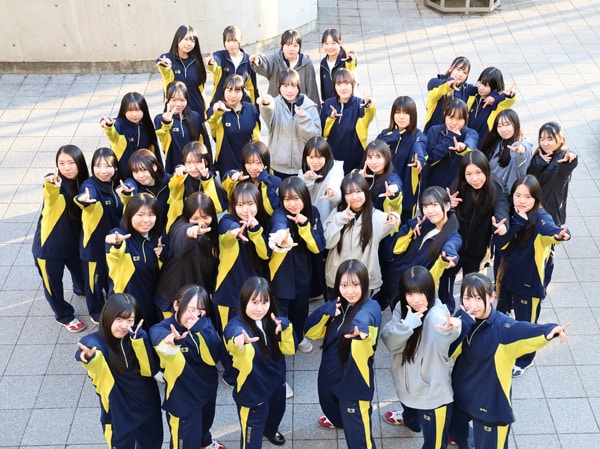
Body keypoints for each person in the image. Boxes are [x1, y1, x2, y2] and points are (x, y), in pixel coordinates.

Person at [449, 272, 569, 449]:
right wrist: (462, 324)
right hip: (462, 393)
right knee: (458, 434)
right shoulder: (464, 317)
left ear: (492, 297)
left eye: (478, 298)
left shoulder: (503, 328)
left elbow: (526, 329)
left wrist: (550, 330)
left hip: (490, 401)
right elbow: (451, 351)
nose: (472, 305)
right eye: (467, 298)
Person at [493, 175, 571, 377]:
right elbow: (500, 244)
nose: (522, 201)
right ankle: (501, 346)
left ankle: (524, 359)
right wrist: (516, 222)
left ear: (536, 198)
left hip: (528, 284)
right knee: (501, 315)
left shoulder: (540, 218)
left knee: (526, 323)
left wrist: (560, 235)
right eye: (518, 195)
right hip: (505, 279)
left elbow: (551, 230)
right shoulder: (510, 215)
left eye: (528, 197)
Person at [380, 266, 461, 449]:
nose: (416, 299)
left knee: (434, 444)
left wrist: (451, 328)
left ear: (430, 291)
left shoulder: (436, 313)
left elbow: (444, 328)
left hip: (431, 396)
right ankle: (411, 420)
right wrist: (408, 323)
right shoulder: (402, 309)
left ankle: (458, 435)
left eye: (420, 293)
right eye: (410, 293)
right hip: (407, 386)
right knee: (412, 416)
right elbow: (390, 342)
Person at [304, 259, 382, 449]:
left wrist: (361, 328)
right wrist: (326, 311)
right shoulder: (337, 306)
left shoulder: (371, 307)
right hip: (328, 379)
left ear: (365, 284)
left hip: (354, 386)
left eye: (355, 284)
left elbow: (367, 318)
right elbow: (310, 332)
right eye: (344, 285)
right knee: (335, 415)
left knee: (360, 442)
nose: (350, 291)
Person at [76, 293, 163, 449]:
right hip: (118, 411)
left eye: (130, 320)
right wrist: (88, 357)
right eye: (119, 319)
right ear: (108, 316)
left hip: (147, 404)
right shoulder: (97, 343)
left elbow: (149, 370)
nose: (124, 326)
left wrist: (139, 341)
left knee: (153, 443)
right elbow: (92, 352)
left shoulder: (138, 336)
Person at [150, 285, 225, 449]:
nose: (195, 315)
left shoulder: (204, 324)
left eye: (201, 310)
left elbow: (213, 358)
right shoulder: (161, 329)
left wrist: (200, 330)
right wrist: (172, 342)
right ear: (176, 305)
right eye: (190, 309)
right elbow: (162, 345)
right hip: (183, 398)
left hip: (207, 390)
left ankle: (205, 442)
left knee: (204, 425)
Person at [224, 276, 295, 448]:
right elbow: (232, 333)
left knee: (277, 413)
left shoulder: (274, 321)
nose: (259, 308)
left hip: (276, 383)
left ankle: (270, 431)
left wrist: (285, 327)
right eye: (254, 302)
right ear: (244, 301)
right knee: (251, 438)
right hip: (253, 391)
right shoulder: (236, 325)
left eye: (265, 302)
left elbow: (290, 349)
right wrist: (238, 339)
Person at [438, 150, 510, 312]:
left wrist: (501, 223)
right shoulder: (457, 187)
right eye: (469, 174)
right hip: (454, 248)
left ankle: (469, 317)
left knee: (472, 291)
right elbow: (441, 212)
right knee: (445, 284)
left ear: (486, 170)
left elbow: (502, 207)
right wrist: (447, 206)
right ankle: (445, 312)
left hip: (478, 251)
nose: (474, 179)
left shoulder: (496, 187)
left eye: (478, 172)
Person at [33, 145, 88, 332]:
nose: (66, 167)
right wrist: (50, 183)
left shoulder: (83, 184)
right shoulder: (56, 186)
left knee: (81, 274)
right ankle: (64, 316)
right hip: (49, 249)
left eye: (71, 162)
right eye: (61, 163)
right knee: (53, 286)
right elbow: (50, 193)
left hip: (73, 244)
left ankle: (80, 289)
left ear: (80, 163)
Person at [378, 186, 461, 310]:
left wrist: (449, 256)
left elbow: (451, 245)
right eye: (425, 206)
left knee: (402, 318)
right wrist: (412, 227)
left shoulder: (452, 236)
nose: (429, 210)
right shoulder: (422, 224)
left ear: (447, 206)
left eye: (434, 205)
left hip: (412, 290)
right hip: (393, 280)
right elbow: (396, 247)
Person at [268, 176, 326, 353]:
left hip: (302, 270)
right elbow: (278, 225)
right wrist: (280, 236)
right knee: (280, 308)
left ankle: (298, 336)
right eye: (287, 199)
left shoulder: (312, 213)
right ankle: (278, 341)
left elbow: (318, 247)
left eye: (296, 198)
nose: (292, 204)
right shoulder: (279, 214)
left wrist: (305, 225)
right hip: (281, 272)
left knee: (300, 309)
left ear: (304, 197)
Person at [324, 172, 399, 298]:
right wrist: (339, 220)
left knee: (361, 310)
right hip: (337, 277)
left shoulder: (375, 216)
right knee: (336, 309)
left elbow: (390, 219)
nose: (354, 197)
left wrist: (395, 217)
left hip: (363, 279)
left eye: (358, 191)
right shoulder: (336, 213)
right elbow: (327, 243)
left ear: (365, 192)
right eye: (349, 193)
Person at [212, 182, 270, 336]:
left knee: (252, 336)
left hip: (253, 294)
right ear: (233, 206)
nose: (245, 210)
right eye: (240, 205)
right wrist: (235, 231)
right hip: (227, 293)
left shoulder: (261, 223)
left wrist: (255, 231)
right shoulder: (226, 221)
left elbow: (265, 254)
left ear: (258, 204)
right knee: (228, 336)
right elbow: (226, 231)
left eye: (250, 204)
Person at [75, 147, 124, 324]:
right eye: (98, 166)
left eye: (108, 166)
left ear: (115, 167)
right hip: (94, 247)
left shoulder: (117, 184)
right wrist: (84, 200)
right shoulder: (90, 185)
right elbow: (86, 197)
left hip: (114, 244)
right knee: (94, 283)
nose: (103, 171)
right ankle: (96, 312)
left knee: (109, 278)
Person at [154, 192, 219, 317]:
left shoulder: (213, 234)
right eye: (195, 219)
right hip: (171, 301)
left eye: (205, 217)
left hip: (196, 301)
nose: (201, 223)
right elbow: (181, 240)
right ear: (187, 216)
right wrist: (191, 232)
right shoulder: (180, 227)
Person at [105, 193, 163, 329]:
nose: (146, 220)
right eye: (140, 215)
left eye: (151, 214)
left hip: (152, 305)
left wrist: (163, 254)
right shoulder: (122, 236)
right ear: (130, 215)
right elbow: (115, 252)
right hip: (126, 308)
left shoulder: (157, 239)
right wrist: (116, 243)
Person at [297, 136, 344, 300]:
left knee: (325, 259)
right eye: (310, 157)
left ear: (327, 156)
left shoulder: (335, 169)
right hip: (309, 225)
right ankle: (315, 291)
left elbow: (337, 193)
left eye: (319, 157)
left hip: (328, 223)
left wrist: (332, 193)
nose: (315, 161)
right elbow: (299, 196)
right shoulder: (303, 172)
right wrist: (307, 180)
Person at [257, 68, 321, 179]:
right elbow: (269, 114)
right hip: (277, 167)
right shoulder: (275, 105)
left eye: (293, 85)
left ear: (299, 86)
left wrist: (303, 117)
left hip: (303, 166)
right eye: (285, 86)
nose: (289, 90)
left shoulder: (310, 107)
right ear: (279, 86)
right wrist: (266, 105)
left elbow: (315, 138)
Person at [156, 25, 211, 150]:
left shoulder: (196, 62)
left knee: (198, 147)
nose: (189, 43)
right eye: (186, 39)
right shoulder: (168, 59)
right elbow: (163, 65)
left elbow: (200, 88)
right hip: (175, 110)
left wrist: (204, 110)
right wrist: (165, 65)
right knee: (177, 146)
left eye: (192, 40)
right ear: (178, 38)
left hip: (196, 110)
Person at [377, 96, 428, 224]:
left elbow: (419, 148)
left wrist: (419, 160)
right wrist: (392, 137)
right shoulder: (386, 134)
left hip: (406, 196)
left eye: (406, 113)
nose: (401, 117)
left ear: (412, 115)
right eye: (397, 112)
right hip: (383, 191)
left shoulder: (418, 136)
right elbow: (374, 148)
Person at [321, 68, 376, 174]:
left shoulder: (360, 105)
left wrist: (369, 105)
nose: (343, 88)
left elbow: (369, 113)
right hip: (332, 160)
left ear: (353, 84)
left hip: (355, 162)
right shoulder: (328, 104)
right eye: (339, 84)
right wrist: (330, 118)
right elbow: (322, 132)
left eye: (346, 83)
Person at [250, 28, 320, 108]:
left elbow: (312, 90)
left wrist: (313, 110)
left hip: (300, 109)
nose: (291, 49)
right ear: (281, 45)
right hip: (278, 108)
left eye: (295, 45)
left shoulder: (306, 63)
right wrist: (258, 61)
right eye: (288, 45)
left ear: (300, 46)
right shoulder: (275, 59)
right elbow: (266, 63)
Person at [207, 74, 260, 174]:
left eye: (237, 90)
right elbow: (212, 122)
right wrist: (217, 112)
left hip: (248, 162)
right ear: (224, 91)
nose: (233, 95)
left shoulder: (251, 109)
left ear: (243, 92)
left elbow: (256, 135)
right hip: (227, 164)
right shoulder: (218, 110)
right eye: (229, 90)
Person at [100, 92, 161, 175]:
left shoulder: (147, 127)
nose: (134, 114)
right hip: (123, 174)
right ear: (124, 111)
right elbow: (112, 132)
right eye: (130, 110)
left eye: (138, 110)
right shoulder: (119, 125)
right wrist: (108, 126)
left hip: (144, 173)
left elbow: (153, 152)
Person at [423, 98, 478, 190]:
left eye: (459, 119)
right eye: (451, 117)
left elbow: (471, 144)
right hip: (433, 185)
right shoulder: (434, 131)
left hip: (458, 186)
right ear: (445, 114)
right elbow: (431, 157)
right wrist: (450, 137)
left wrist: (463, 147)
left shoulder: (470, 133)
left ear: (467, 118)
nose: (454, 122)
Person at [155, 80, 204, 173]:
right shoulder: (160, 119)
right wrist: (166, 123)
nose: (178, 104)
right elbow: (162, 136)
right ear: (167, 99)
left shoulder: (195, 117)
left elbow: (203, 142)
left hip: (194, 167)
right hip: (173, 166)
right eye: (174, 100)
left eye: (182, 100)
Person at [122, 149, 174, 235]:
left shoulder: (167, 181)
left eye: (144, 170)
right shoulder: (135, 185)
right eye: (135, 172)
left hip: (166, 232)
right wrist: (126, 191)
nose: (140, 176)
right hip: (143, 233)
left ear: (154, 167)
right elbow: (129, 185)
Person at [222, 141, 281, 215]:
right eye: (249, 163)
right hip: (242, 220)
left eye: (258, 162)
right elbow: (224, 188)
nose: (254, 167)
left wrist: (267, 183)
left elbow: (275, 210)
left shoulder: (275, 181)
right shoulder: (239, 178)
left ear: (266, 162)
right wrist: (232, 178)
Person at [480, 109, 532, 192]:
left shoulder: (521, 145)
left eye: (507, 125)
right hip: (489, 190)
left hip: (505, 195)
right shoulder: (497, 141)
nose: (503, 129)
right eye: (499, 126)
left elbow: (523, 152)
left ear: (515, 124)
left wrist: (520, 152)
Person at [207, 25, 259, 107]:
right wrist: (210, 63)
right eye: (228, 41)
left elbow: (253, 89)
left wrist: (254, 109)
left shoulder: (248, 60)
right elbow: (214, 65)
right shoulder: (220, 56)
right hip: (220, 105)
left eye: (234, 41)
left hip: (240, 105)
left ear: (240, 40)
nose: (231, 44)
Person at [467, 67, 517, 144]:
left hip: (481, 145)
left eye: (485, 86)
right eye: (480, 83)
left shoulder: (495, 103)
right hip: (465, 140)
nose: (481, 88)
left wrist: (509, 96)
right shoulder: (473, 95)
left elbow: (506, 101)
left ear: (494, 88)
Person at [424, 56, 472, 133]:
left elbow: (484, 88)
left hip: (453, 134)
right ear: (450, 68)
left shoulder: (467, 90)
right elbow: (436, 86)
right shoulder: (436, 83)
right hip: (433, 133)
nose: (460, 74)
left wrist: (492, 95)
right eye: (458, 69)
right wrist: (449, 85)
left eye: (465, 72)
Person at [358, 139, 403, 215]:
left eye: (378, 157)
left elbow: (396, 183)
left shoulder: (391, 178)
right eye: (370, 157)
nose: (374, 162)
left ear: (387, 158)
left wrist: (394, 190)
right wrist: (358, 180)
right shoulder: (360, 173)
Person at [319, 28, 357, 102]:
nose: (330, 47)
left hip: (346, 103)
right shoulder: (323, 63)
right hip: (330, 104)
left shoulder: (346, 59)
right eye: (326, 43)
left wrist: (350, 60)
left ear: (340, 43)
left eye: (333, 43)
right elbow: (323, 87)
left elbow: (352, 67)